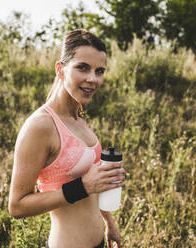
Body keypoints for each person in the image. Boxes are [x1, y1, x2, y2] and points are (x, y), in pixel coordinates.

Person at [8, 29, 126, 248]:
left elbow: (93, 184)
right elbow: (17, 206)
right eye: (83, 67)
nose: (93, 79)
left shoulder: (78, 117)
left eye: (99, 71)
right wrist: (82, 186)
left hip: (99, 242)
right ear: (60, 69)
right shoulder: (40, 126)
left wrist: (109, 222)